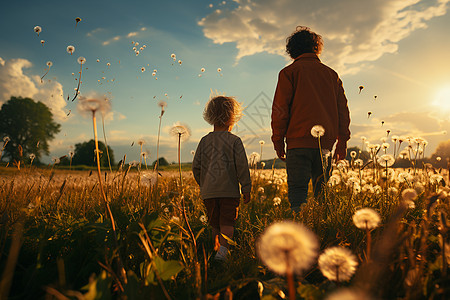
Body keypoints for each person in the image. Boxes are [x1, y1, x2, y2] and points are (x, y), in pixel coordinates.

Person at [271, 26, 351, 212]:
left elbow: (280, 111)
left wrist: (277, 141)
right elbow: (343, 111)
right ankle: (323, 233)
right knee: (322, 194)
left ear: (292, 50)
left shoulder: (288, 73)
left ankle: (298, 232)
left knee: (298, 194)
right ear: (316, 48)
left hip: (297, 143)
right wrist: (342, 142)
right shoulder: (332, 75)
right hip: (325, 146)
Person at [192, 95, 251, 261]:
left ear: (210, 117)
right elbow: (242, 167)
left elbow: (196, 167)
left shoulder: (204, 141)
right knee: (227, 223)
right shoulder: (235, 141)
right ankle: (223, 253)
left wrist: (204, 183)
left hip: (208, 192)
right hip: (229, 192)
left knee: (215, 224)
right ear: (232, 118)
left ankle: (216, 250)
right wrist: (246, 188)